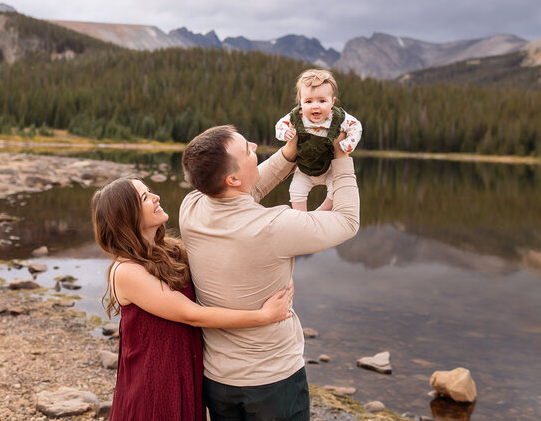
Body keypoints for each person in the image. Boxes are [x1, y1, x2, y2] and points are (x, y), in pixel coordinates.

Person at [179, 124, 360, 420]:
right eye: (246, 149)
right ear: (233, 177)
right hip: (273, 383)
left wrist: (289, 153)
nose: (253, 145)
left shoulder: (191, 208)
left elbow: (244, 192)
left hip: (218, 380)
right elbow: (349, 221)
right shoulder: (275, 226)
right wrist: (341, 158)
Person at [91, 177, 294, 421]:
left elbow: (232, 201)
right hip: (154, 380)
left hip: (184, 368)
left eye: (150, 191)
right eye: (145, 198)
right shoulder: (126, 271)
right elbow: (191, 314)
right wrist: (263, 316)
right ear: (128, 217)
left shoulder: (171, 251)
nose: (156, 197)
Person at [275, 68, 362, 211]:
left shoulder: (338, 117)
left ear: (332, 101)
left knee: (336, 189)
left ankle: (319, 212)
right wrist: (284, 133)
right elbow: (279, 125)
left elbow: (356, 127)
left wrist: (349, 143)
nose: (315, 106)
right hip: (304, 168)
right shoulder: (297, 116)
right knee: (296, 190)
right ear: (301, 102)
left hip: (329, 168)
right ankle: (300, 215)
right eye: (308, 101)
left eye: (322, 101)